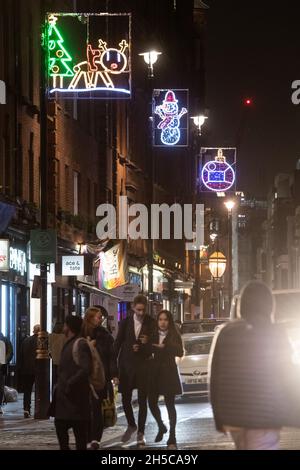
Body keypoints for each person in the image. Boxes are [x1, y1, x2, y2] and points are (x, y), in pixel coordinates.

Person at [209, 280, 297, 450]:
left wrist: (219, 417)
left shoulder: (226, 332)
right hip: (264, 416)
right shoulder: (275, 332)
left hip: (233, 418)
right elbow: (288, 374)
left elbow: (215, 378)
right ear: (269, 305)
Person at [114, 294, 155, 447]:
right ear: (133, 308)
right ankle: (131, 424)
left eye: (143, 310)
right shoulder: (124, 323)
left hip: (144, 366)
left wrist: (144, 346)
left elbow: (154, 345)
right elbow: (117, 344)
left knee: (143, 401)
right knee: (125, 399)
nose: (141, 313)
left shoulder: (151, 323)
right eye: (138, 310)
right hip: (126, 366)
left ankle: (141, 432)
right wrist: (113, 370)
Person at [53, 315, 92, 450]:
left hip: (76, 398)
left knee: (79, 435)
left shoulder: (79, 344)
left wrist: (70, 383)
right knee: (60, 427)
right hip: (66, 398)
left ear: (68, 327)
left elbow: (86, 368)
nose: (63, 327)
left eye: (65, 325)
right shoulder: (69, 342)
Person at [81, 306, 118, 450]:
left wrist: (114, 374)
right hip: (83, 377)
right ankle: (87, 437)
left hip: (99, 378)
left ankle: (95, 438)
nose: (100, 318)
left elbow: (111, 357)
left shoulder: (105, 335)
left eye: (101, 316)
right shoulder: (81, 333)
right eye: (98, 316)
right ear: (90, 318)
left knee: (97, 408)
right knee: (85, 409)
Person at [147, 310, 184, 450]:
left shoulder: (174, 335)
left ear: (169, 321)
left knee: (170, 405)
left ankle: (172, 437)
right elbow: (146, 349)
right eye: (160, 319)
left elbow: (180, 352)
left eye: (165, 319)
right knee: (151, 402)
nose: (162, 322)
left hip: (168, 372)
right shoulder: (152, 334)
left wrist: (165, 347)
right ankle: (161, 426)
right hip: (154, 373)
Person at [19, 324, 40, 418]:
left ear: (33, 330)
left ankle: (26, 408)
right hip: (38, 369)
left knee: (27, 390)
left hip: (26, 369)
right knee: (39, 390)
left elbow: (21, 355)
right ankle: (38, 409)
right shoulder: (41, 341)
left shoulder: (26, 341)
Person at [49, 322, 66, 388]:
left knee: (54, 378)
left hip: (53, 360)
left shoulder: (50, 336)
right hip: (62, 361)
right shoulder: (64, 337)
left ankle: (54, 391)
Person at [0, 332, 13, 415]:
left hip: (1, 368)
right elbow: (10, 353)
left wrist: (4, 361)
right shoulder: (5, 340)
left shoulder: (5, 340)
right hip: (2, 367)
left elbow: (10, 353)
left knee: (1, 387)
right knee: (0, 386)